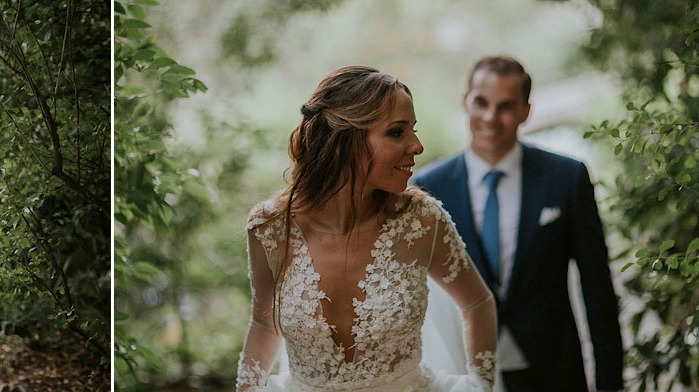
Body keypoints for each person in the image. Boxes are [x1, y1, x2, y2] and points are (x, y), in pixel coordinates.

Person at [236, 65, 498, 392]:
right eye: (396, 132)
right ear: (342, 142)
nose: (417, 146)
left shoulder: (422, 220)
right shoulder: (270, 228)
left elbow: (477, 303)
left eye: (412, 130)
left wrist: (481, 383)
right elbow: (264, 322)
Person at [413, 56, 623, 391]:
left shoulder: (566, 178)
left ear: (526, 111)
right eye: (481, 102)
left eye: (506, 106)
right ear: (466, 101)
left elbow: (597, 291)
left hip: (553, 370)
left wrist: (610, 383)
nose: (490, 118)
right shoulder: (428, 185)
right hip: (465, 371)